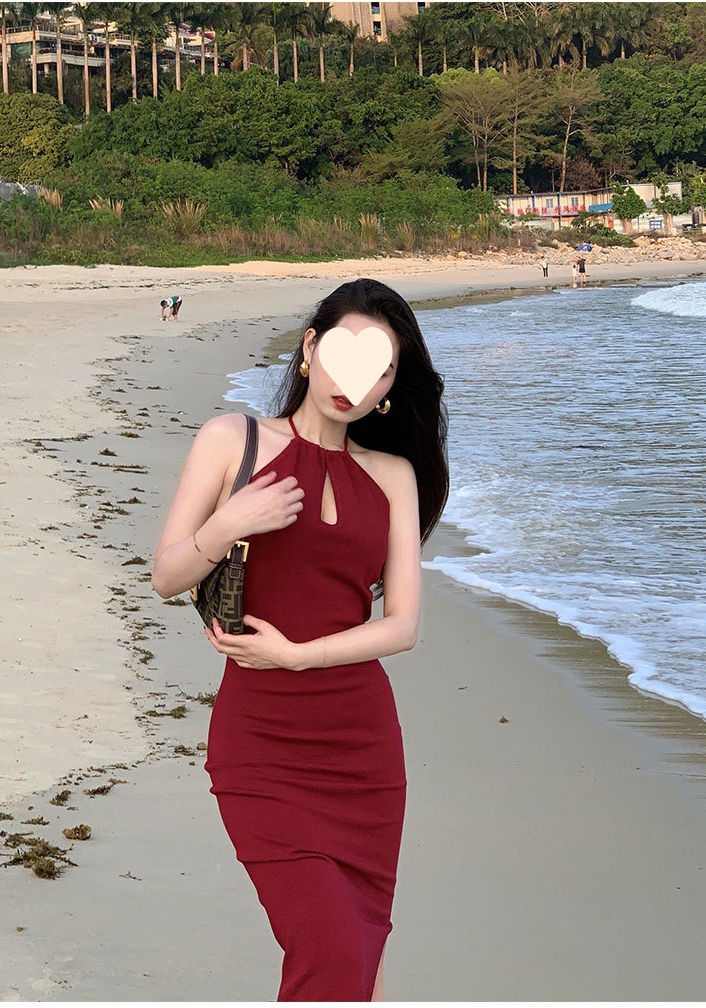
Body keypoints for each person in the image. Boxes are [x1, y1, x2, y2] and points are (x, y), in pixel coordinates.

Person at [151, 278, 450, 1001]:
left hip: (362, 751)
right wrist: (229, 524)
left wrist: (297, 655)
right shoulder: (233, 440)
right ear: (311, 349)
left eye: (380, 369)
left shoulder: (394, 475)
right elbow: (165, 577)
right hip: (260, 744)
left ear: (390, 388)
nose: (357, 381)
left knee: (357, 962)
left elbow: (402, 626)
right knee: (332, 953)